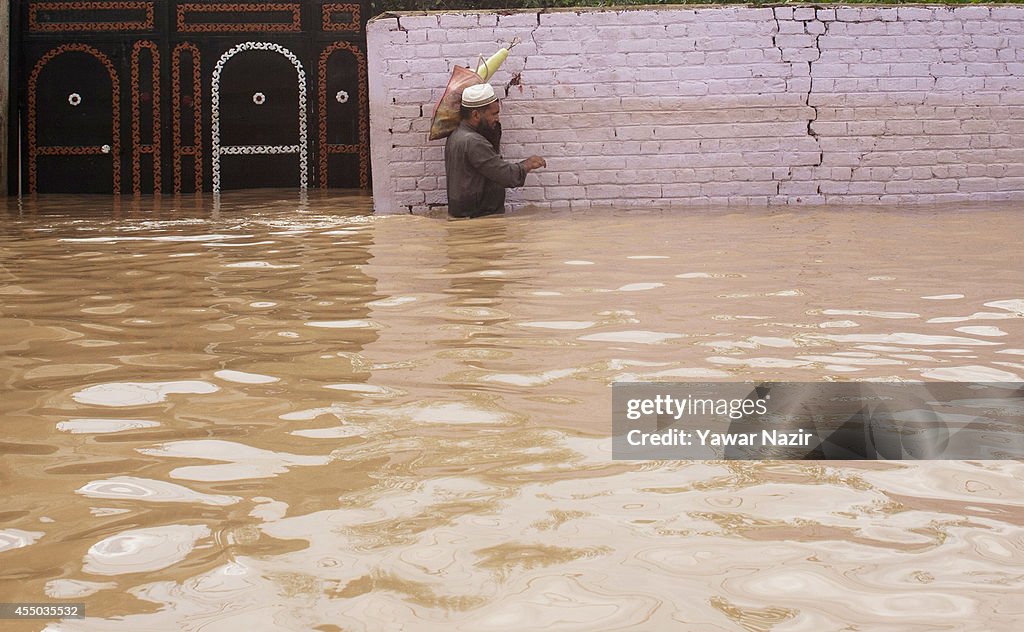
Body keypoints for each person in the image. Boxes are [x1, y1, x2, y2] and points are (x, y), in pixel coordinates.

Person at [444, 83, 546, 218]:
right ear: (475, 115)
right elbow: (506, 176)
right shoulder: (474, 142)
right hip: (479, 222)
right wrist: (528, 164)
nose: (497, 119)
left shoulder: (457, 135)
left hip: (466, 219)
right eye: (494, 114)